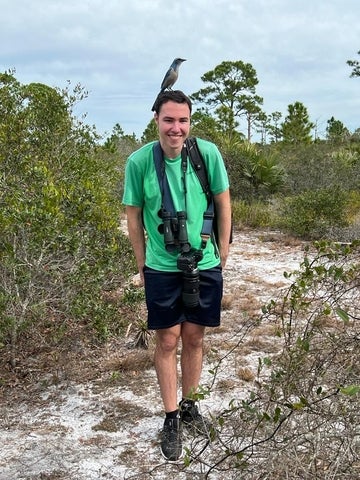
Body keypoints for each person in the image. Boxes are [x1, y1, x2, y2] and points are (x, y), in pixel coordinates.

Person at [122, 90, 231, 461]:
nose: (176, 128)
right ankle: (171, 417)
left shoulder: (207, 154)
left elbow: (223, 200)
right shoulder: (139, 162)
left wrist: (224, 252)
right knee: (167, 341)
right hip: (161, 265)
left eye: (182, 120)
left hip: (204, 261)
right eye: (169, 120)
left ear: (189, 121)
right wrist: (142, 263)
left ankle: (191, 405)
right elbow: (133, 215)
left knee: (195, 337)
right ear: (156, 120)